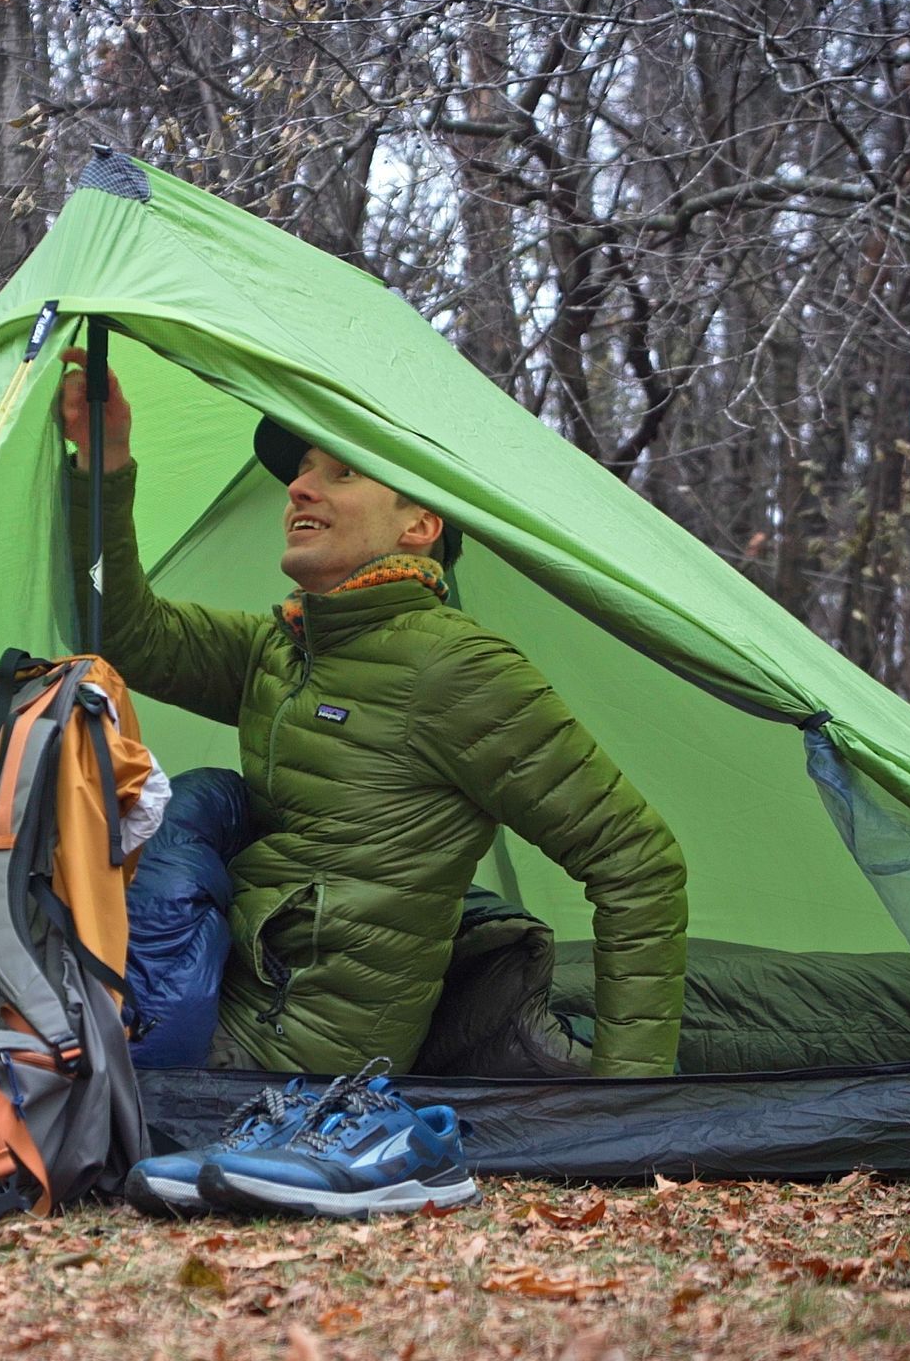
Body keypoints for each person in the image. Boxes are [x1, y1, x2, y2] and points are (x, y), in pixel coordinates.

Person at [57, 348, 689, 1078]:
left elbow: (637, 859)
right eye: (303, 472)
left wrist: (629, 1105)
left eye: (341, 472)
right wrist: (103, 462)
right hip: (218, 986)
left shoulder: (456, 668)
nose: (298, 487)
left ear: (419, 524)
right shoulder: (285, 648)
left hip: (292, 1050)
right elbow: (124, 632)